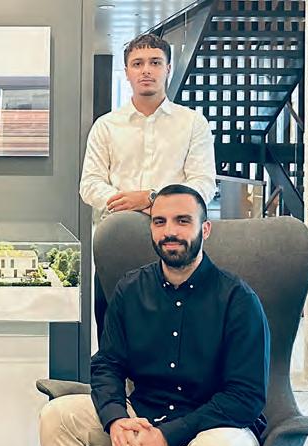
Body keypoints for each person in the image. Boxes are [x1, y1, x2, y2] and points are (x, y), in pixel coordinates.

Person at [39, 184, 270, 446]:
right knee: (57, 417)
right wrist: (116, 418)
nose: (170, 231)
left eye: (182, 221)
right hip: (144, 413)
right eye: (160, 222)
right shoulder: (131, 289)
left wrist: (167, 436)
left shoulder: (238, 300)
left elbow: (245, 398)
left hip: (216, 426)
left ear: (205, 229)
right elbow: (108, 364)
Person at [79, 33, 217, 340]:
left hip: (176, 245)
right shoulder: (106, 126)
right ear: (127, 72)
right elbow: (90, 184)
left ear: (168, 69)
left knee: (176, 334)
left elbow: (204, 184)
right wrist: (127, 203)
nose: (146, 70)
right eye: (137, 63)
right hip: (118, 242)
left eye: (155, 62)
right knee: (114, 333)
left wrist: (153, 200)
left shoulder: (193, 123)